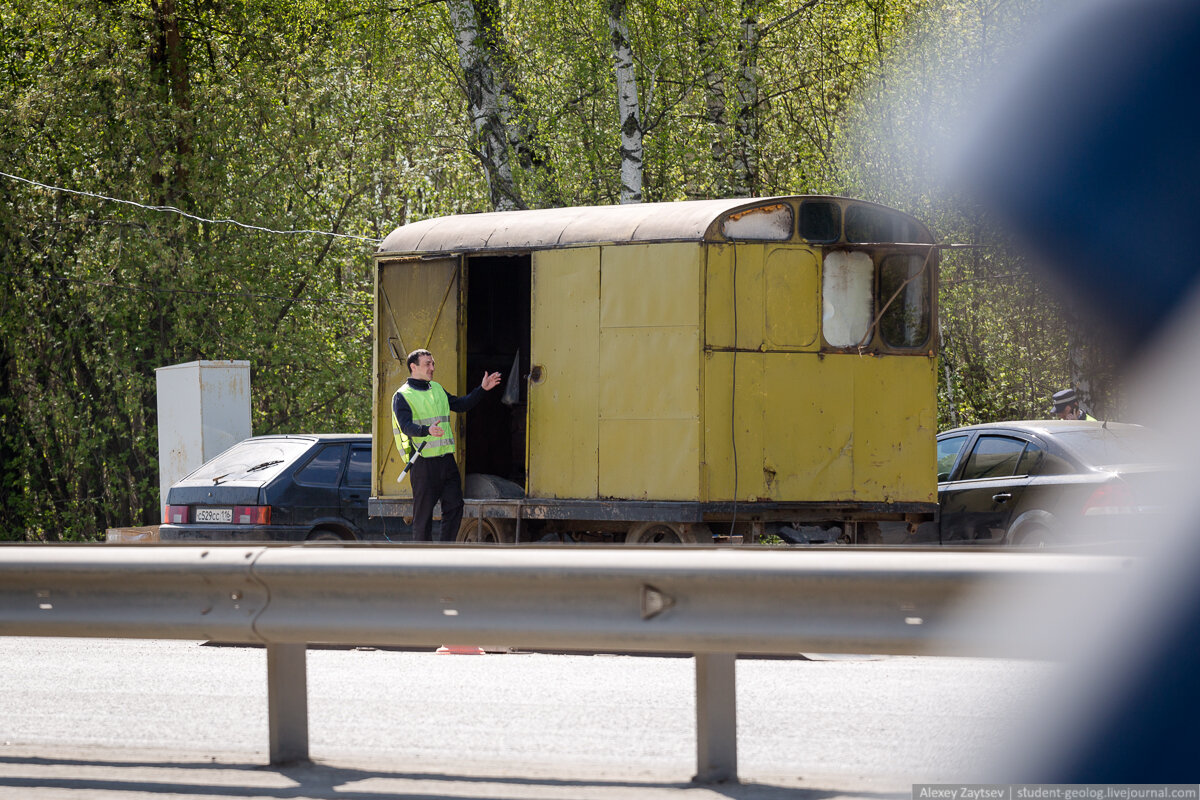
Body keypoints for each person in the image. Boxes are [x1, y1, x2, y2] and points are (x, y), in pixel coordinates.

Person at [392, 349, 502, 541]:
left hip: (446, 461)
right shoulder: (402, 395)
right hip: (423, 463)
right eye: (428, 364)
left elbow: (460, 405)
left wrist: (482, 389)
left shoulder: (436, 388)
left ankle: (445, 551)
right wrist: (427, 430)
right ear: (413, 367)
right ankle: (423, 561)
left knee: (455, 506)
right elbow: (406, 426)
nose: (432, 368)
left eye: (433, 363)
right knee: (423, 517)